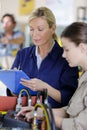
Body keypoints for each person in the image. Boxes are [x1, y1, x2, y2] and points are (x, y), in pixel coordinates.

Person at [17, 22, 87, 130]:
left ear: (82, 48)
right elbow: (70, 111)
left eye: (67, 49)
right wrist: (39, 110)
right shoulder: (84, 77)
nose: (63, 55)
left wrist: (45, 114)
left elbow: (79, 126)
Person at [12, 7, 78, 108]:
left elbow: (70, 98)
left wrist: (44, 87)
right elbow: (14, 95)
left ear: (53, 28)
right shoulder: (22, 55)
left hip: (52, 118)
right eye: (32, 29)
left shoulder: (67, 58)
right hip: (23, 115)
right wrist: (13, 83)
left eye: (40, 29)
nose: (34, 34)